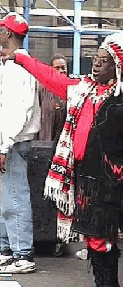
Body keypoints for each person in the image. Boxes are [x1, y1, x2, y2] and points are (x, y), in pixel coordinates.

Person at [2, 28, 123, 287]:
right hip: (83, 177)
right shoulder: (82, 90)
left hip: (107, 178)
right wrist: (20, 57)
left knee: (101, 239)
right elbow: (50, 77)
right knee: (92, 238)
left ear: (118, 66)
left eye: (103, 60)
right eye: (95, 59)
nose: (96, 64)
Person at [0, 12, 41, 273]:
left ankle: (22, 254)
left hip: (13, 142)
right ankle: (7, 250)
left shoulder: (18, 65)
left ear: (7, 33)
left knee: (15, 197)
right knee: (7, 199)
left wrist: (3, 145)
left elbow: (15, 111)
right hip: (12, 141)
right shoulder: (12, 63)